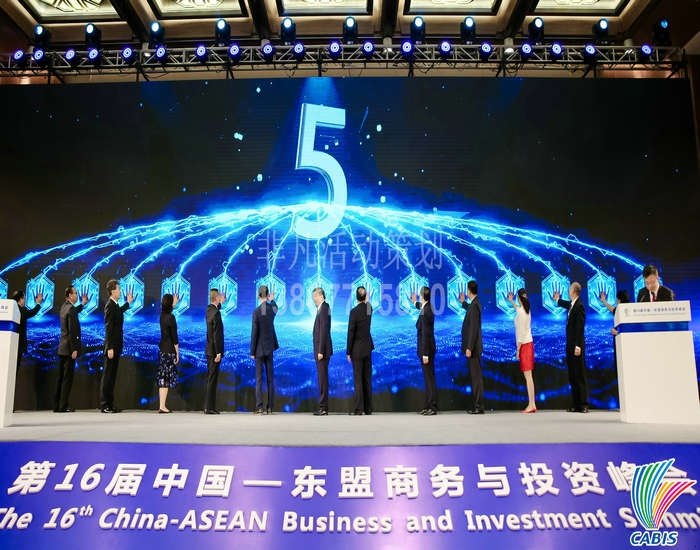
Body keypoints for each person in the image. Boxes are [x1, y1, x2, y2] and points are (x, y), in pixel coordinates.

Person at [554, 282, 588, 413]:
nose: (568, 291)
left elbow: (580, 327)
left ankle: (583, 404)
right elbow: (566, 304)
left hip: (576, 346)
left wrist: (578, 345)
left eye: (569, 289)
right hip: (570, 345)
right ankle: (576, 404)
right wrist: (558, 300)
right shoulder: (572, 304)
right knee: (572, 375)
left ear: (573, 291)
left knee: (579, 375)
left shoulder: (579, 306)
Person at [101, 279, 133, 413]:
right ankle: (105, 404)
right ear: (113, 291)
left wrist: (128, 303)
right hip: (112, 347)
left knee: (112, 376)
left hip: (116, 346)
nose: (120, 291)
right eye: (119, 289)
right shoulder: (109, 305)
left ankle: (110, 403)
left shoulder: (115, 305)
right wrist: (109, 347)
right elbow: (109, 328)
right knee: (108, 376)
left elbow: (119, 313)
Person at [55, 286, 88, 413]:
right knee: (67, 379)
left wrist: (82, 304)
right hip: (69, 349)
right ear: (70, 295)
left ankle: (57, 405)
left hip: (62, 348)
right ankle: (64, 406)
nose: (77, 295)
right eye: (75, 293)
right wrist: (74, 349)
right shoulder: (71, 309)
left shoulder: (64, 307)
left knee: (60, 378)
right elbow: (73, 331)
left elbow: (73, 312)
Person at [250, 285, 278, 415]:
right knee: (270, 379)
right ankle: (270, 407)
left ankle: (259, 407)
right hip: (269, 348)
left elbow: (254, 333)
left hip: (259, 349)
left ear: (258, 296)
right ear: (267, 295)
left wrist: (252, 351)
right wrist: (272, 300)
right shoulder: (272, 309)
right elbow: (276, 308)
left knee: (259, 379)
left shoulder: (256, 312)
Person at [346, 286, 374, 416]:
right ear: (365, 296)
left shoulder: (354, 312)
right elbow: (368, 304)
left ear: (356, 297)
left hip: (357, 349)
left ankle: (359, 409)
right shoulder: (369, 309)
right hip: (367, 348)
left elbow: (351, 332)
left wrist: (348, 351)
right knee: (367, 379)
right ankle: (368, 409)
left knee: (358, 379)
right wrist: (367, 299)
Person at [507, 288, 536, 413]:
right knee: (529, 376)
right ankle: (532, 403)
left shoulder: (521, 313)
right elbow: (517, 309)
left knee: (528, 377)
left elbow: (521, 333)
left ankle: (532, 404)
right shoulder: (526, 310)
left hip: (525, 345)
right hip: (528, 344)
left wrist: (518, 350)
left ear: (519, 298)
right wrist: (511, 301)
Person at [460, 280, 484, 414]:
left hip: (473, 348)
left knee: (476, 378)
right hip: (473, 348)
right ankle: (477, 405)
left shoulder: (475, 306)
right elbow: (469, 310)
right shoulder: (474, 304)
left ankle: (478, 406)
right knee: (475, 377)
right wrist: (463, 303)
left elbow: (474, 328)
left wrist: (469, 347)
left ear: (469, 290)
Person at [413, 285, 437, 416]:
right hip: (426, 349)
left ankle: (432, 407)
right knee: (428, 379)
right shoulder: (426, 307)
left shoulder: (426, 311)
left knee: (429, 379)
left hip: (426, 350)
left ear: (422, 296)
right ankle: (427, 405)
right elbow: (420, 307)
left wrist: (425, 354)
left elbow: (426, 334)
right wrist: (414, 302)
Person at [158, 293, 180, 414]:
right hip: (169, 350)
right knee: (166, 378)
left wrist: (173, 304)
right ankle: (162, 406)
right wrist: (177, 353)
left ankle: (162, 405)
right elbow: (174, 337)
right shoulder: (171, 317)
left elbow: (167, 311)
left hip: (162, 349)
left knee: (163, 378)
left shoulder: (162, 316)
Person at [312, 287, 332, 416]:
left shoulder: (324, 308)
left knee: (323, 379)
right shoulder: (322, 308)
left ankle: (323, 408)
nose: (313, 299)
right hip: (321, 350)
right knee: (321, 379)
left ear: (321, 296)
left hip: (322, 351)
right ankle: (323, 406)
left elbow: (324, 330)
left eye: (315, 296)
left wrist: (320, 351)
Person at [11, 289, 43, 372]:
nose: (24, 301)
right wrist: (38, 303)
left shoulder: (11, 309)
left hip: (10, 344)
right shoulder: (21, 310)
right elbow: (32, 312)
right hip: (18, 345)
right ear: (20, 299)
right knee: (15, 369)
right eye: (24, 298)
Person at [600, 289, 630, 374]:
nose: (616, 301)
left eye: (616, 299)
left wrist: (617, 332)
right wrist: (604, 301)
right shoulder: (628, 309)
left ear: (619, 300)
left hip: (623, 344)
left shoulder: (621, 310)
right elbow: (612, 309)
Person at [205, 288, 225, 415]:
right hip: (214, 352)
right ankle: (209, 407)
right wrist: (218, 352)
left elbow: (216, 308)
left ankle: (209, 406)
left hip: (209, 350)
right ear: (216, 298)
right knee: (212, 380)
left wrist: (220, 302)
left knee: (210, 379)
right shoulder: (216, 313)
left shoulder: (209, 310)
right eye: (219, 297)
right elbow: (216, 334)